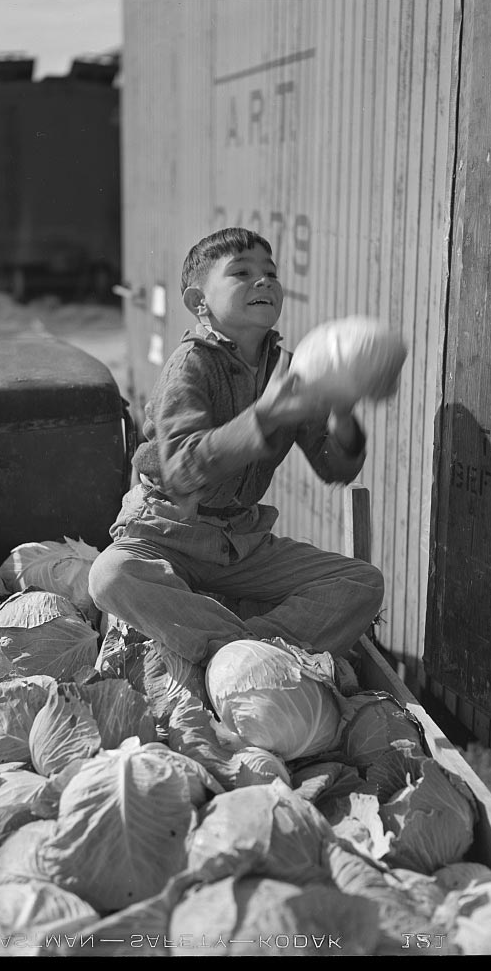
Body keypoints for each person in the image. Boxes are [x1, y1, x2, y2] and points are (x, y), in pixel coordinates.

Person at [88, 227, 385, 665]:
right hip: (165, 532)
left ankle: (246, 651)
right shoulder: (189, 366)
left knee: (361, 583)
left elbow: (334, 468)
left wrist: (341, 412)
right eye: (241, 273)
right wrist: (265, 415)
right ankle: (245, 655)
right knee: (110, 577)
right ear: (198, 302)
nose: (263, 281)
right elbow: (184, 468)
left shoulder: (288, 370)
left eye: (270, 272)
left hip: (239, 542)